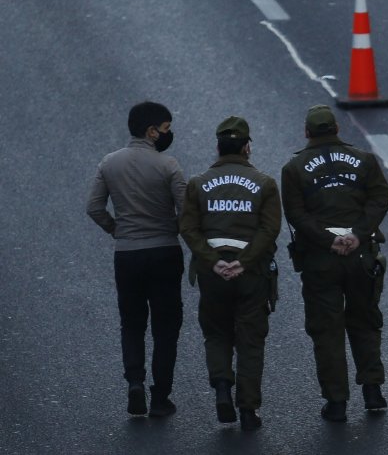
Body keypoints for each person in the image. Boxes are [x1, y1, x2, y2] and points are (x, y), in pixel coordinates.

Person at [281, 104, 388, 422]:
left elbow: (296, 215)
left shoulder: (294, 168)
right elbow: (380, 198)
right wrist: (357, 235)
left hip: (320, 260)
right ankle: (373, 391)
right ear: (337, 130)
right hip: (361, 257)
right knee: (365, 322)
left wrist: (329, 240)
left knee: (326, 331)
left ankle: (337, 401)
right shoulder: (365, 160)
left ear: (307, 132)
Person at [179, 116, 281, 432]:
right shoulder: (264, 184)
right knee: (251, 341)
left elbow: (188, 228)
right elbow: (270, 230)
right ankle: (248, 410)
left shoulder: (198, 183)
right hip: (250, 274)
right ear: (247, 147)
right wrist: (244, 261)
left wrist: (213, 261)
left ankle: (222, 388)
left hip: (213, 275)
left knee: (217, 332)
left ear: (217, 147)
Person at [86, 101, 185, 418]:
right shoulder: (168, 166)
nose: (169, 135)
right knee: (166, 325)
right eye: (166, 129)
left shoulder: (109, 163)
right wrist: (173, 230)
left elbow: (94, 208)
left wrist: (117, 230)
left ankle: (135, 384)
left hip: (127, 255)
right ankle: (161, 396)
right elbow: (188, 211)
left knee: (132, 322)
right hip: (164, 252)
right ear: (152, 131)